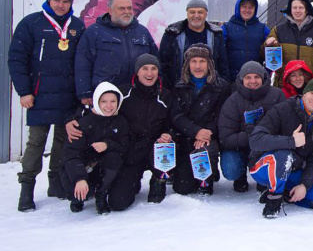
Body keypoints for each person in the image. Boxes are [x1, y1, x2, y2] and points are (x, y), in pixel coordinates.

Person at [8, 0, 85, 211]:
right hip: (39, 96)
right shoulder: (31, 23)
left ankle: (56, 184)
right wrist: (24, 91)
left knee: (63, 141)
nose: (61, 5)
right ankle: (27, 187)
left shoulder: (77, 26)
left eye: (66, 1)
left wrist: (81, 94)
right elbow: (17, 59)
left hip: (68, 97)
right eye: (57, 0)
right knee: (36, 143)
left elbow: (83, 62)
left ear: (71, 4)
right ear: (49, 1)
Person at [249, 77, 313, 218]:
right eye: (312, 94)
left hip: (291, 170)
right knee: (285, 154)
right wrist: (291, 141)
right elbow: (255, 140)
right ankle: (274, 198)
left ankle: (285, 192)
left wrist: (304, 185)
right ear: (304, 93)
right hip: (263, 166)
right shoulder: (282, 109)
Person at [99, 54, 175, 210]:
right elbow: (101, 109)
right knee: (118, 203)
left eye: (153, 69)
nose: (149, 73)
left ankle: (158, 179)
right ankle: (134, 180)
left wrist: (168, 133)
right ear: (137, 72)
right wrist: (73, 118)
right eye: (145, 69)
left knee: (169, 147)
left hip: (155, 148)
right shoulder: (123, 93)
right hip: (131, 151)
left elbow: (174, 122)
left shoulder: (165, 94)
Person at [169, 44, 231, 196]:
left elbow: (223, 116)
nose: (198, 66)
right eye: (193, 61)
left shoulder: (221, 86)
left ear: (209, 64)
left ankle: (209, 176)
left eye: (202, 61)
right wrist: (195, 131)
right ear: (187, 64)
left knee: (205, 152)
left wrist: (206, 133)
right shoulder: (179, 85)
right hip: (187, 136)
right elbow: (176, 116)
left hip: (210, 138)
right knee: (182, 188)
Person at [60, 82, 129, 214]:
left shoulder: (121, 122)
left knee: (115, 158)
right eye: (104, 101)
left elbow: (124, 148)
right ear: (97, 101)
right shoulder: (84, 122)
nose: (109, 106)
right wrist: (80, 178)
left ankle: (101, 195)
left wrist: (108, 145)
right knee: (78, 191)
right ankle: (77, 199)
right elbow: (71, 153)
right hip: (81, 166)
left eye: (113, 101)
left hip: (101, 167)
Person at [75, 0, 159, 103]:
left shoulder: (142, 32)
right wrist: (85, 93)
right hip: (106, 97)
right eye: (121, 8)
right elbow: (83, 64)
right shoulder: (94, 32)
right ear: (110, 10)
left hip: (136, 95)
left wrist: (158, 86)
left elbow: (155, 60)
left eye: (129, 8)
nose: (127, 12)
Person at [218, 61, 285, 193]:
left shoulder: (277, 95)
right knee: (231, 168)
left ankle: (264, 176)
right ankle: (240, 175)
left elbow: (285, 126)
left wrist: (264, 135)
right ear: (242, 80)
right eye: (248, 77)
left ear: (263, 78)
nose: (253, 81)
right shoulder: (233, 101)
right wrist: (248, 135)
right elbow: (225, 138)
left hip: (267, 147)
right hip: (241, 146)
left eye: (257, 77)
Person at [159, 0, 229, 90]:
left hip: (210, 91)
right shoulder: (172, 34)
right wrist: (167, 89)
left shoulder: (216, 35)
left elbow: (223, 65)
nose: (196, 15)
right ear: (187, 13)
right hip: (178, 89)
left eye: (200, 12)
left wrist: (223, 88)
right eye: (192, 12)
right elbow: (163, 64)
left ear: (206, 14)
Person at [262, 0, 313, 88]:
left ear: (306, 9)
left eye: (301, 7)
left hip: (308, 87)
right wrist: (268, 45)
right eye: (294, 8)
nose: (297, 11)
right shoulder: (278, 30)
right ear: (290, 9)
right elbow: (265, 56)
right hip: (284, 85)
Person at [222, 0, 270, 81]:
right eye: (244, 6)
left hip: (255, 81)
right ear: (238, 8)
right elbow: (220, 55)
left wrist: (266, 75)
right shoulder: (226, 28)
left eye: (250, 7)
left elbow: (271, 54)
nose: (247, 10)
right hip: (233, 80)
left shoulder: (263, 29)